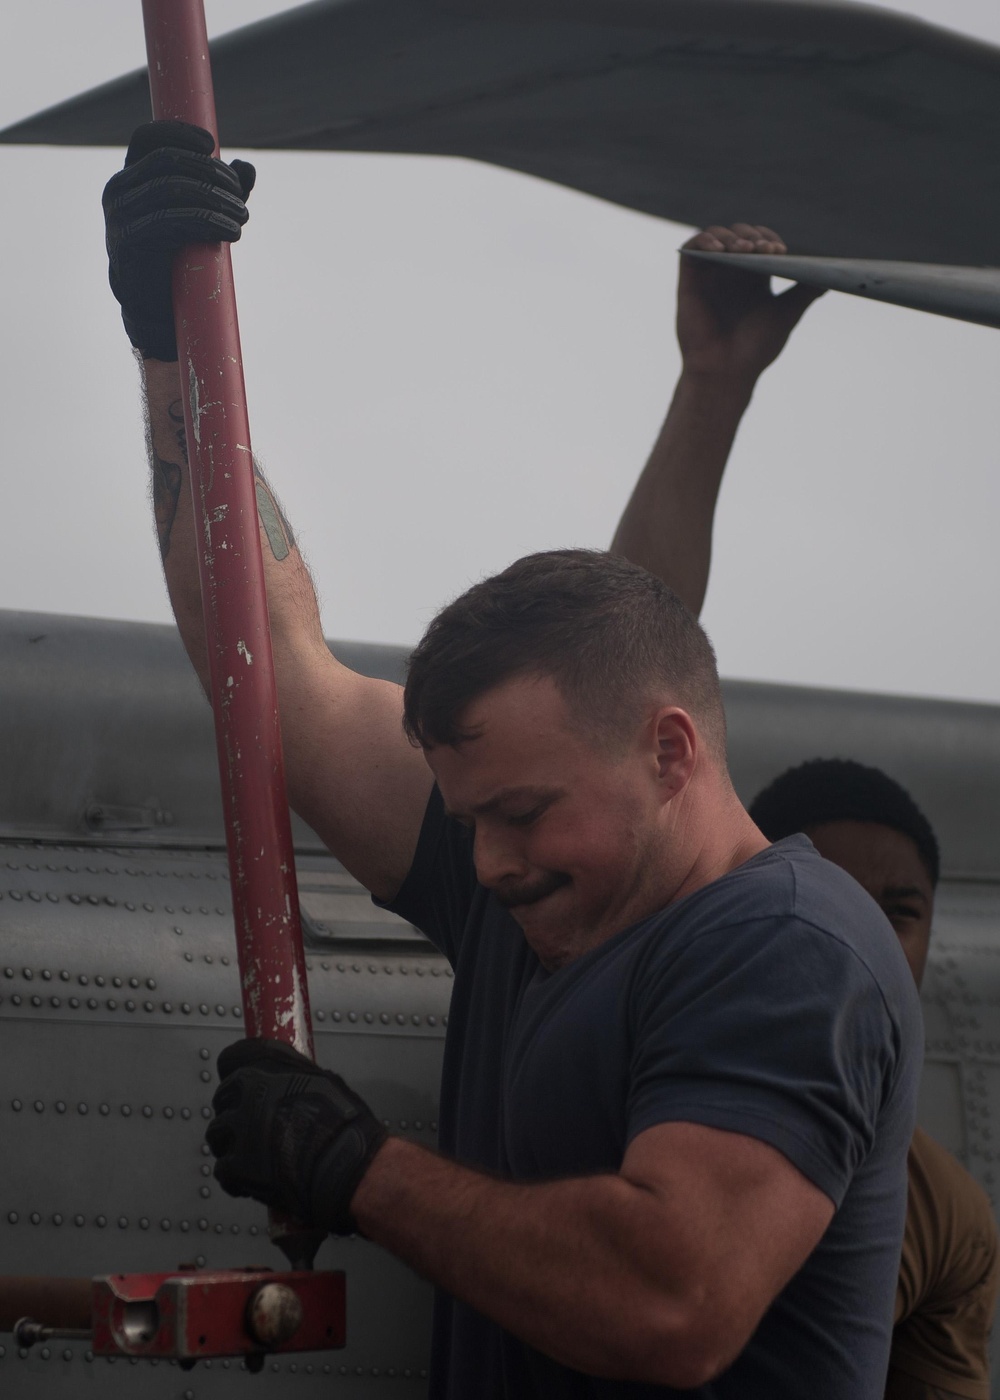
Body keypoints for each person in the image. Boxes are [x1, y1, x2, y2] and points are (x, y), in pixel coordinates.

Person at [103, 128, 921, 1398]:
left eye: (524, 812)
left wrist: (354, 1166)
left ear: (668, 750)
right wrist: (169, 339)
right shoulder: (530, 896)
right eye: (470, 817)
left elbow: (671, 1300)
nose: (482, 862)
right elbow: (263, 657)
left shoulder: (786, 947)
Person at [611, 224, 1000, 1399]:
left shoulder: (940, 1210)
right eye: (828, 888)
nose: (870, 931)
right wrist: (711, 391)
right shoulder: (636, 1053)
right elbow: (628, 674)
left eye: (902, 906)